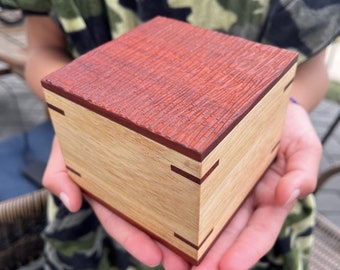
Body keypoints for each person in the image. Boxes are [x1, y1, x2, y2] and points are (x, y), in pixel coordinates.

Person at [1, 1, 339, 269]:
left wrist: (287, 106)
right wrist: (76, 109)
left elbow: (311, 67)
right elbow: (42, 50)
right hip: (88, 226)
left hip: (261, 215)